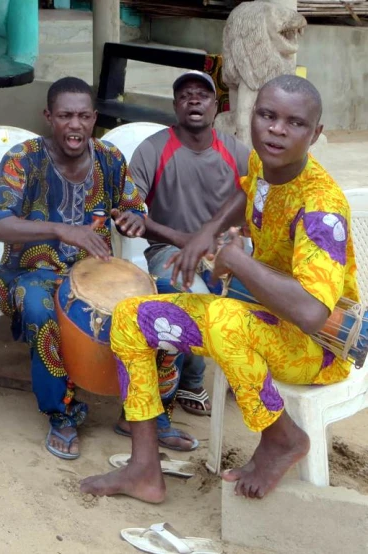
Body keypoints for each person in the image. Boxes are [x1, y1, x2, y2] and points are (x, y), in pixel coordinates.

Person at [80, 75, 357, 501]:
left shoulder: (321, 206)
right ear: (253, 117)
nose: (276, 129)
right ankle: (143, 469)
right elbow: (247, 193)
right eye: (267, 116)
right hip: (259, 320)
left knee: (226, 319)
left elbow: (311, 313)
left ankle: (282, 437)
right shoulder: (266, 163)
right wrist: (206, 234)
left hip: (317, 347)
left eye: (294, 123)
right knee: (132, 317)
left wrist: (239, 261)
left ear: (315, 133)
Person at [0, 76, 171, 460]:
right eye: (65, 115)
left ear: (94, 118)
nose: (75, 125)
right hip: (29, 274)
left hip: (96, 274)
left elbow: (132, 207)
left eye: (84, 116)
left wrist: (132, 218)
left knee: (163, 301)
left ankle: (145, 411)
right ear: (49, 116)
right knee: (38, 307)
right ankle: (61, 413)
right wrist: (61, 230)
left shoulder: (110, 158)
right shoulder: (24, 158)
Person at [118, 70, 249, 429]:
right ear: (176, 105)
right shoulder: (154, 149)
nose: (194, 100)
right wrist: (180, 239)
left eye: (202, 95)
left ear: (215, 106)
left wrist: (234, 241)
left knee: (263, 290)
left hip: (225, 248)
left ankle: (251, 375)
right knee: (190, 300)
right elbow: (129, 208)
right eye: (185, 95)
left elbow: (254, 206)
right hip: (168, 250)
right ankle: (190, 382)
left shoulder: (235, 150)